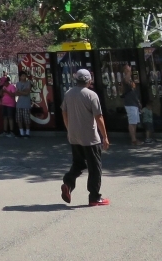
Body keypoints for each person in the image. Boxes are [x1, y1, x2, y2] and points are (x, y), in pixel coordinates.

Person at [60, 68, 110, 207]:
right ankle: (94, 197)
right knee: (95, 167)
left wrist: (68, 128)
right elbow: (98, 117)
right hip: (90, 137)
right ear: (89, 80)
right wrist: (105, 137)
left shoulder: (68, 93)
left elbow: (63, 111)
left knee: (78, 163)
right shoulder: (91, 95)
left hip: (74, 135)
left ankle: (68, 184)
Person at [121, 64, 142, 146]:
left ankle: (134, 138)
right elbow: (126, 80)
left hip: (134, 103)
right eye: (127, 68)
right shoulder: (125, 79)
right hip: (130, 104)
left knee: (135, 122)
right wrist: (129, 71)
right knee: (131, 122)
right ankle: (133, 140)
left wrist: (138, 102)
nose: (129, 69)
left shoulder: (130, 80)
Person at [15, 70, 33, 137]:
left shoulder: (28, 83)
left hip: (26, 104)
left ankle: (27, 133)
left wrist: (21, 92)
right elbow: (16, 93)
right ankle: (21, 132)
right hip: (19, 104)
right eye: (23, 76)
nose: (24, 77)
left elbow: (27, 93)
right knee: (19, 119)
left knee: (26, 119)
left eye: (25, 75)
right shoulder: (17, 83)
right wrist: (23, 92)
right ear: (20, 77)